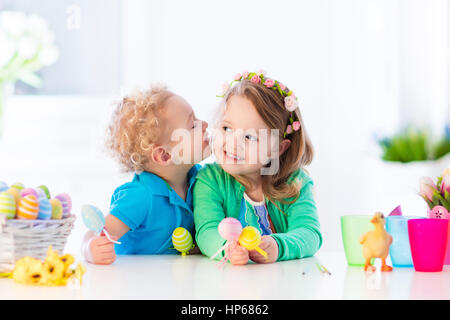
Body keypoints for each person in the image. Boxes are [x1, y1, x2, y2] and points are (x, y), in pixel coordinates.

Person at [193, 70, 322, 265]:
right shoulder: (209, 180)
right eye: (227, 128)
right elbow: (206, 230)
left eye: (250, 137)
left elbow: (309, 233)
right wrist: (227, 248)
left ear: (278, 148)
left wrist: (278, 246)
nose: (233, 143)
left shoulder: (295, 183)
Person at [82, 84, 210, 264]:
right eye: (193, 125)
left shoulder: (202, 179)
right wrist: (89, 248)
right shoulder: (140, 195)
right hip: (136, 283)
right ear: (164, 155)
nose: (204, 124)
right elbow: (96, 233)